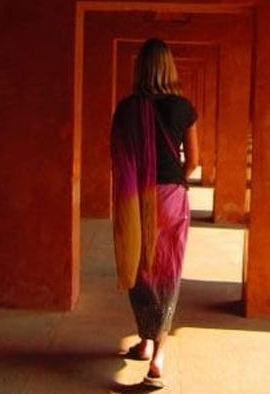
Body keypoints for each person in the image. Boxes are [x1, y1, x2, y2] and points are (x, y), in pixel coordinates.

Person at [110, 38, 199, 388]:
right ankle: (155, 351)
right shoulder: (182, 108)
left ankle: (146, 341)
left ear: (140, 69)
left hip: (135, 198)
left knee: (140, 267)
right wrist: (172, 181)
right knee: (166, 271)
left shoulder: (127, 108)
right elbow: (193, 161)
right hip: (172, 197)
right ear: (170, 67)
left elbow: (118, 157)